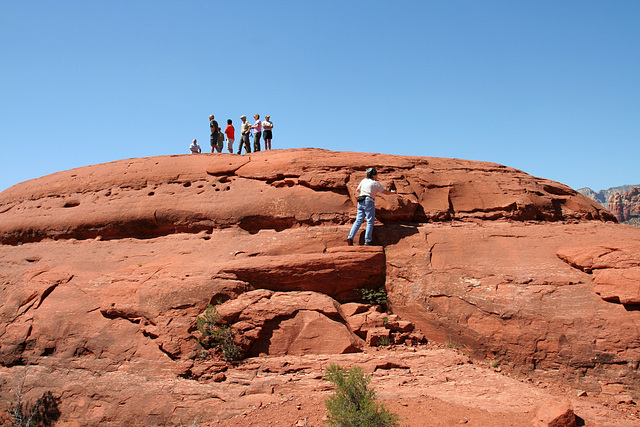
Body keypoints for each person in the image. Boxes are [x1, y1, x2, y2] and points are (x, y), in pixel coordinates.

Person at [347, 167, 395, 246]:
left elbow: (358, 190)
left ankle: (350, 237)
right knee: (370, 221)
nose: (377, 176)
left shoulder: (363, 181)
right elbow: (384, 192)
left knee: (358, 220)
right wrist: (392, 193)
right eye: (376, 174)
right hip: (369, 201)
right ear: (373, 175)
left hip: (360, 201)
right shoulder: (375, 183)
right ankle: (368, 240)